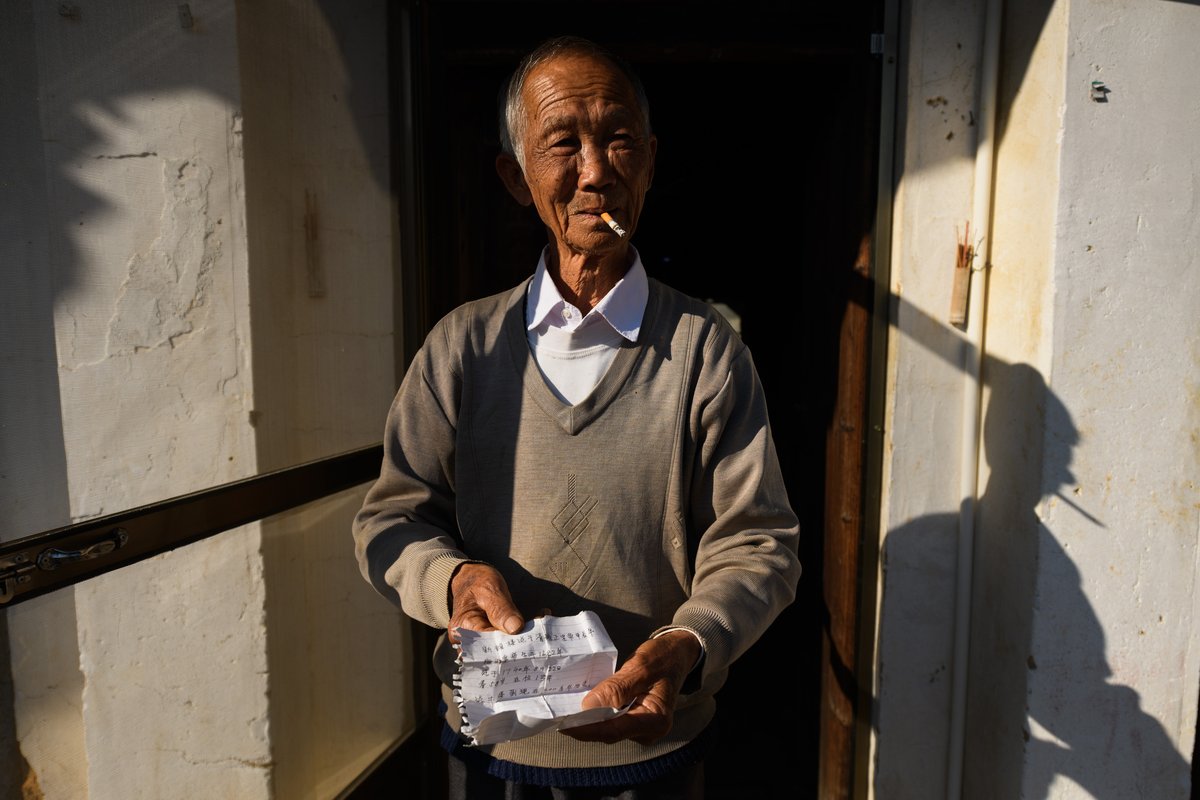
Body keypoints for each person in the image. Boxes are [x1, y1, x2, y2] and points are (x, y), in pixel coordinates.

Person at [353, 35, 801, 798]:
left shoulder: (706, 352)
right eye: (564, 143)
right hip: (495, 754)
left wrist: (683, 643)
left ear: (651, 163)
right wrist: (453, 579)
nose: (596, 171)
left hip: (653, 755)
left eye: (620, 139)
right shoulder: (462, 348)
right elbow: (390, 521)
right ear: (517, 178)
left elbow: (759, 543)